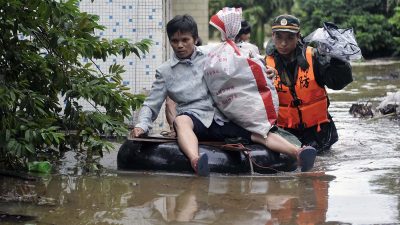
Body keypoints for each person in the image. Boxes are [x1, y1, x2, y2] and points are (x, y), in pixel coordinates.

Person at [131, 14, 316, 176]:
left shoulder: (212, 54)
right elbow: (151, 103)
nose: (179, 46)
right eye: (174, 41)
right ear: (170, 41)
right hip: (195, 119)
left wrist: (265, 70)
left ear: (195, 39)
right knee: (181, 121)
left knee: (259, 132)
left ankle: (298, 153)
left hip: (222, 116)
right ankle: (196, 161)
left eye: (185, 40)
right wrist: (141, 125)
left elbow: (246, 60)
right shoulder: (165, 72)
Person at [265, 14, 353, 153]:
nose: (283, 43)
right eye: (279, 37)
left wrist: (338, 59)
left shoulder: (315, 57)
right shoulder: (264, 63)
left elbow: (337, 83)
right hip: (286, 134)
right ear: (272, 36)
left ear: (298, 36)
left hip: (318, 133)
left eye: (289, 37)